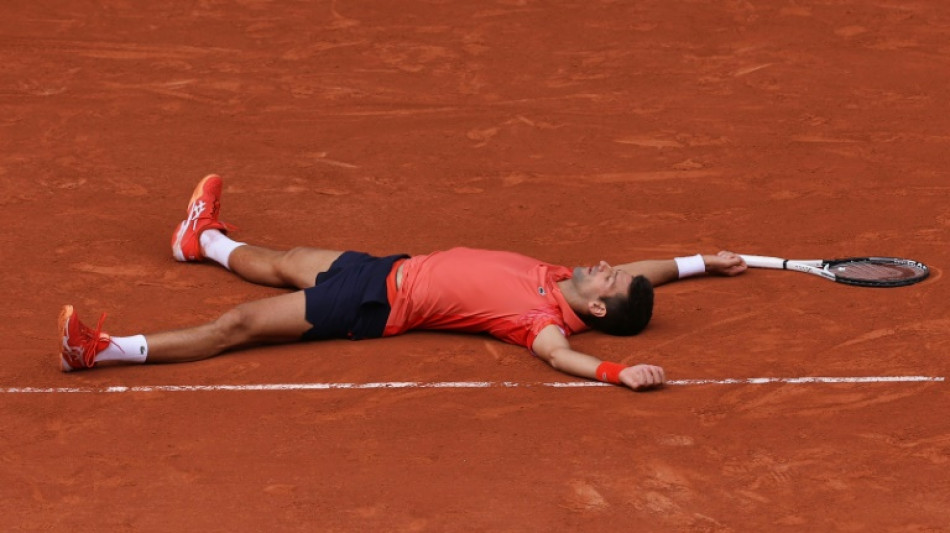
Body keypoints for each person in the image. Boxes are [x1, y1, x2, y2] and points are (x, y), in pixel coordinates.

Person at [58, 175, 747, 391]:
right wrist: (699, 261)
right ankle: (200, 239)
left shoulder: (546, 322)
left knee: (238, 324)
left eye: (612, 275)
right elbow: (649, 273)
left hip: (368, 303)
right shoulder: (569, 278)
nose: (610, 262)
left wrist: (615, 370)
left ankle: (104, 350)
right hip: (385, 266)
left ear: (598, 307)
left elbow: (560, 359)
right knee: (281, 255)